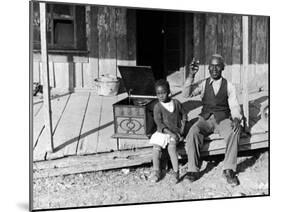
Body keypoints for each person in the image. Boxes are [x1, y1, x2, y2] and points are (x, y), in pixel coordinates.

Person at [182, 54, 242, 186]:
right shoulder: (203, 84)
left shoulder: (229, 86)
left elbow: (234, 105)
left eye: (218, 66)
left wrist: (237, 118)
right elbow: (185, 94)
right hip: (206, 119)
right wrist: (191, 76)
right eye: (212, 66)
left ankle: (229, 169)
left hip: (223, 119)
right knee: (193, 132)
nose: (214, 69)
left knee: (235, 131)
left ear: (223, 68)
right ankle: (193, 170)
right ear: (208, 68)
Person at [150, 79, 186, 184]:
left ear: (169, 91)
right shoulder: (157, 107)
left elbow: (184, 115)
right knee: (156, 148)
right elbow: (159, 123)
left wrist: (182, 128)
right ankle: (157, 171)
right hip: (163, 132)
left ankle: (176, 172)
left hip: (175, 131)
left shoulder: (176, 103)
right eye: (158, 94)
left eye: (163, 93)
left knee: (172, 147)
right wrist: (171, 133)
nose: (161, 96)